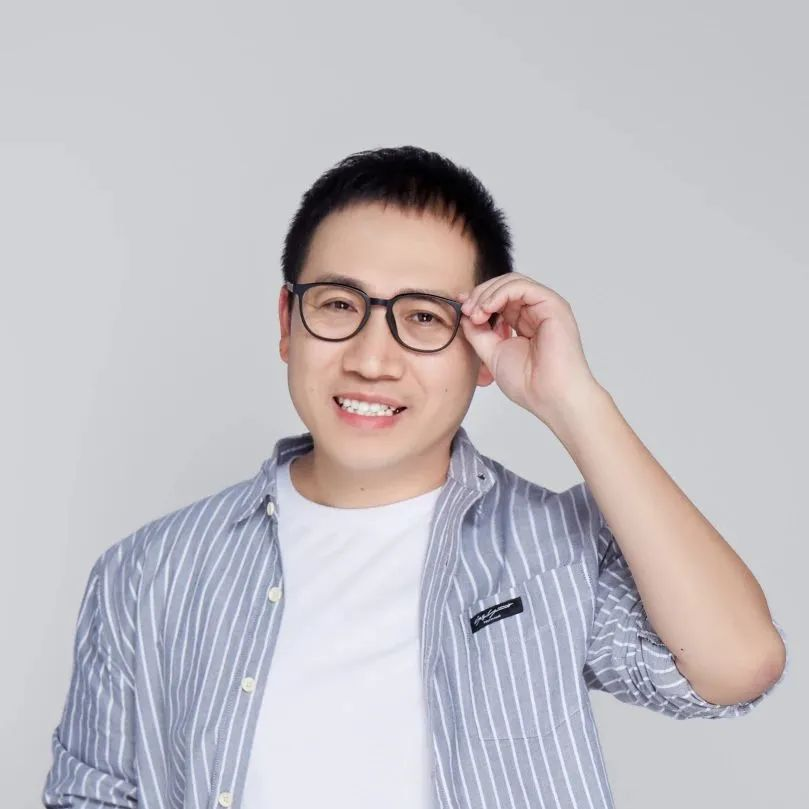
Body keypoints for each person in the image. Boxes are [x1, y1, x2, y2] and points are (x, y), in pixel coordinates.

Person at [43, 146, 788, 809]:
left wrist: (574, 402)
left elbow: (736, 664)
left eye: (425, 317)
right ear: (287, 322)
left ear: (482, 346)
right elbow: (92, 795)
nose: (373, 359)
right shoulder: (148, 572)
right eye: (339, 305)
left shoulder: (549, 549)